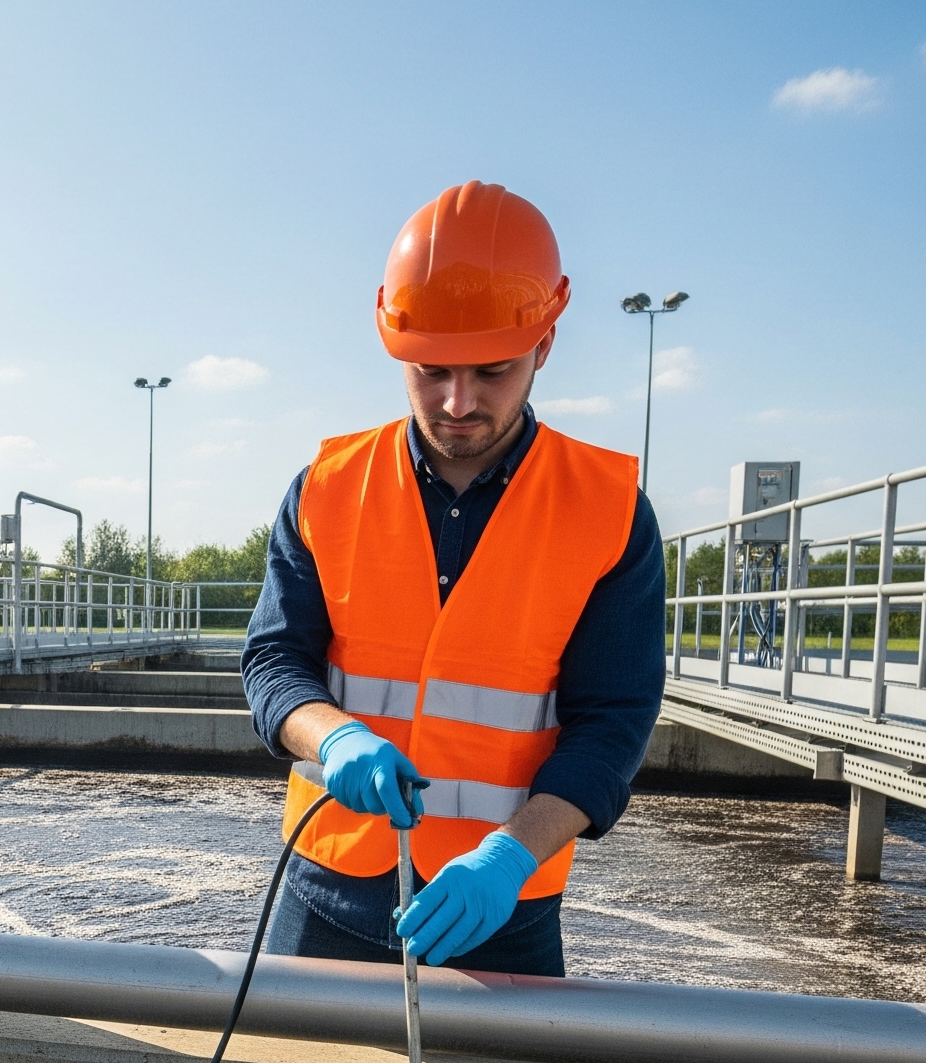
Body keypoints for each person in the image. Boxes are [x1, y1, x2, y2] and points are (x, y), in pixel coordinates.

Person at [241, 182, 664, 975]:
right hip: (323, 891)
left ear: (544, 346)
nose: (457, 402)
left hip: (502, 905)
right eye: (430, 371)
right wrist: (332, 737)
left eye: (491, 372)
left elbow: (612, 722)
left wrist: (508, 859)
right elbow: (272, 663)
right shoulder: (325, 489)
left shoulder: (610, 515)